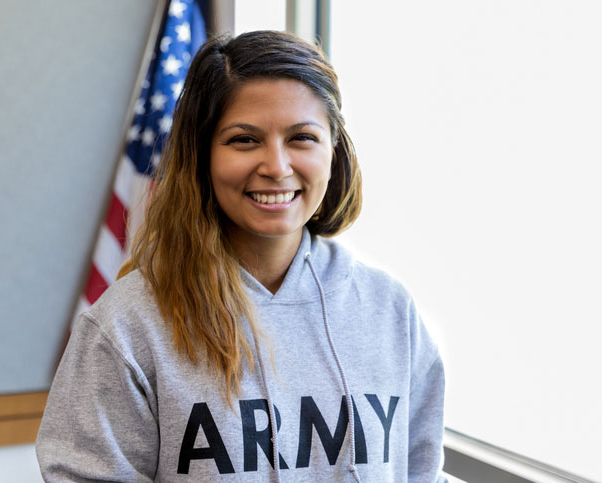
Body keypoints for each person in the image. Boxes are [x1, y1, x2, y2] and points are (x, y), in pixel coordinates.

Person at [36, 30, 446, 482]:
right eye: (244, 140)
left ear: (334, 150)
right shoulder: (128, 326)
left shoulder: (390, 311)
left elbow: (422, 473)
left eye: (302, 138)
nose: (276, 166)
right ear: (201, 155)